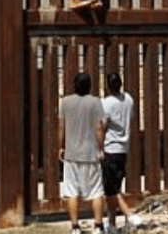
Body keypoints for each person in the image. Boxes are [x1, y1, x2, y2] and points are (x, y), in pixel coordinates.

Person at [58, 73, 107, 234]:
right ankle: (98, 226)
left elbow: (61, 126)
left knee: (71, 192)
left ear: (74, 85)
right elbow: (99, 127)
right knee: (96, 192)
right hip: (90, 153)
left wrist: (61, 146)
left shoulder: (65, 102)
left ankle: (75, 227)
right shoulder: (95, 102)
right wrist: (101, 147)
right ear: (90, 85)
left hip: (72, 153)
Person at [102, 72, 138, 231]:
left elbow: (102, 126)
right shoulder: (129, 99)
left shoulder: (106, 103)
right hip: (123, 148)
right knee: (114, 186)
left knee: (111, 189)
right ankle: (111, 224)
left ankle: (130, 216)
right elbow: (130, 118)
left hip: (110, 147)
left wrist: (99, 147)